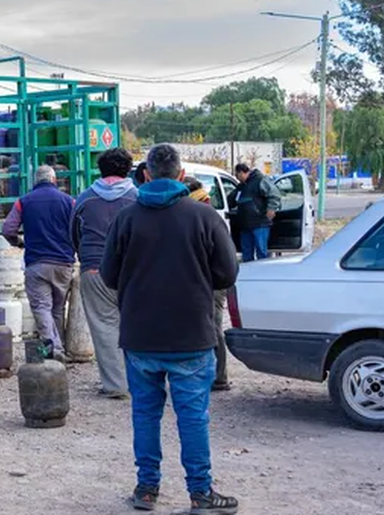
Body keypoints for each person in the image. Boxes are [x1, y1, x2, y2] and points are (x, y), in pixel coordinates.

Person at [101, 144, 239, 514]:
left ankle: (146, 490)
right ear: (181, 176)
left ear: (146, 175)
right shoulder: (205, 217)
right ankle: (201, 493)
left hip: (140, 337)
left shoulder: (126, 219)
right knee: (192, 416)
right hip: (191, 336)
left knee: (145, 414)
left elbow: (109, 276)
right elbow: (227, 273)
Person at [71, 147, 137, 399]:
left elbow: (74, 234)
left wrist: (85, 257)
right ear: (128, 169)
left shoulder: (85, 198)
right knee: (134, 325)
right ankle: (138, 381)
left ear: (100, 169)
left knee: (104, 327)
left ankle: (115, 385)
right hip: (132, 271)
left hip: (94, 268)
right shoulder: (137, 198)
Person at [1, 165, 77, 360]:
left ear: (35, 181)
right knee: (58, 309)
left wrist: (19, 242)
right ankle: (59, 349)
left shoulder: (24, 201)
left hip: (37, 263)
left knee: (42, 307)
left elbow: (8, 229)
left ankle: (55, 350)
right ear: (54, 180)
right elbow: (79, 228)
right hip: (63, 264)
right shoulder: (69, 201)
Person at [185, 177, 232, 393]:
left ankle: (219, 377)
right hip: (212, 281)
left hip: (211, 282)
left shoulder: (201, 213)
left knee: (212, 327)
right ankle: (214, 375)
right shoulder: (206, 210)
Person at [232, 163, 281, 262]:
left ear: (241, 173)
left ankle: (263, 274)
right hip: (245, 225)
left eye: (237, 175)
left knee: (261, 252)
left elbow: (274, 194)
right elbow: (232, 199)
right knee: (246, 254)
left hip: (260, 223)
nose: (237, 178)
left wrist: (271, 208)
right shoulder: (241, 186)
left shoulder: (260, 180)